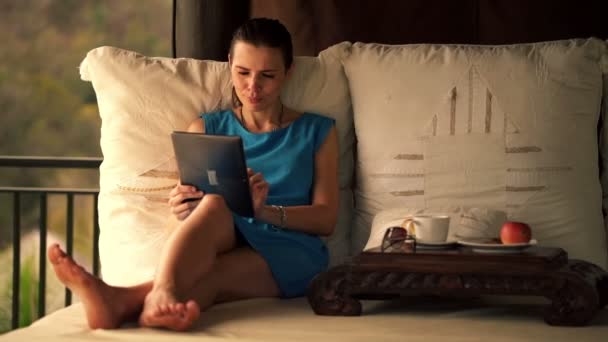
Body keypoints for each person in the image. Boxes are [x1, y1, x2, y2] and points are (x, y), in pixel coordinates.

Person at [48, 17, 339, 331]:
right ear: (229, 65)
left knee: (210, 278)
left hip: (289, 246)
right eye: (243, 73)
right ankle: (157, 295)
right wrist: (181, 204)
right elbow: (192, 205)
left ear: (288, 72)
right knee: (213, 204)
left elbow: (325, 219)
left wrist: (265, 212)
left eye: (267, 75)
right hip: (221, 228)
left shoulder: (318, 131)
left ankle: (124, 302)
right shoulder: (206, 127)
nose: (252, 87)